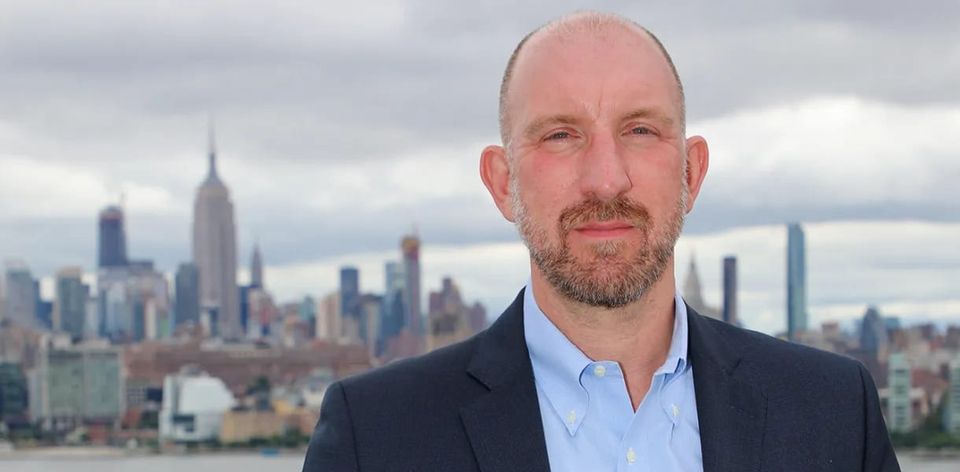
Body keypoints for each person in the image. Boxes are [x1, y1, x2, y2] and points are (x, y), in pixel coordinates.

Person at [303, 11, 899, 472]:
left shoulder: (834, 413)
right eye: (561, 136)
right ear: (503, 183)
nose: (606, 178)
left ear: (691, 172)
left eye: (640, 130)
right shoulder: (376, 435)